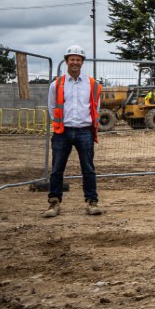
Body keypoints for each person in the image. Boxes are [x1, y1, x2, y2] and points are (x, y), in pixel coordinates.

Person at [44, 45, 103, 218]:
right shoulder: (57, 84)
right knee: (57, 169)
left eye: (78, 59)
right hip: (63, 131)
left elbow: (95, 107)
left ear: (82, 62)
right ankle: (54, 202)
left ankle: (92, 201)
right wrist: (59, 124)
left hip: (84, 131)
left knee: (88, 169)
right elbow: (51, 106)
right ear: (66, 61)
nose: (75, 62)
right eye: (72, 59)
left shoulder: (92, 85)